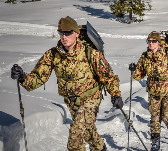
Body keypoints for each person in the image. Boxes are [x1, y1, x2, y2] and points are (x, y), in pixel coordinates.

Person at [11, 16, 123, 151]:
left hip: (91, 99)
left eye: (68, 32)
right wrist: (23, 77)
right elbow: (38, 78)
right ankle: (100, 147)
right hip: (71, 102)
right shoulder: (52, 55)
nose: (64, 36)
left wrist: (116, 95)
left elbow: (109, 77)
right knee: (87, 131)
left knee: (75, 139)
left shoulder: (90, 53)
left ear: (76, 33)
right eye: (61, 32)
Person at [130, 31, 168, 151]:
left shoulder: (167, 54)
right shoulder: (145, 56)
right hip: (153, 92)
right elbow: (139, 75)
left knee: (167, 117)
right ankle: (155, 144)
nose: (151, 43)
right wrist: (133, 70)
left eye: (153, 41)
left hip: (167, 91)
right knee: (154, 118)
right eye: (149, 41)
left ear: (158, 43)